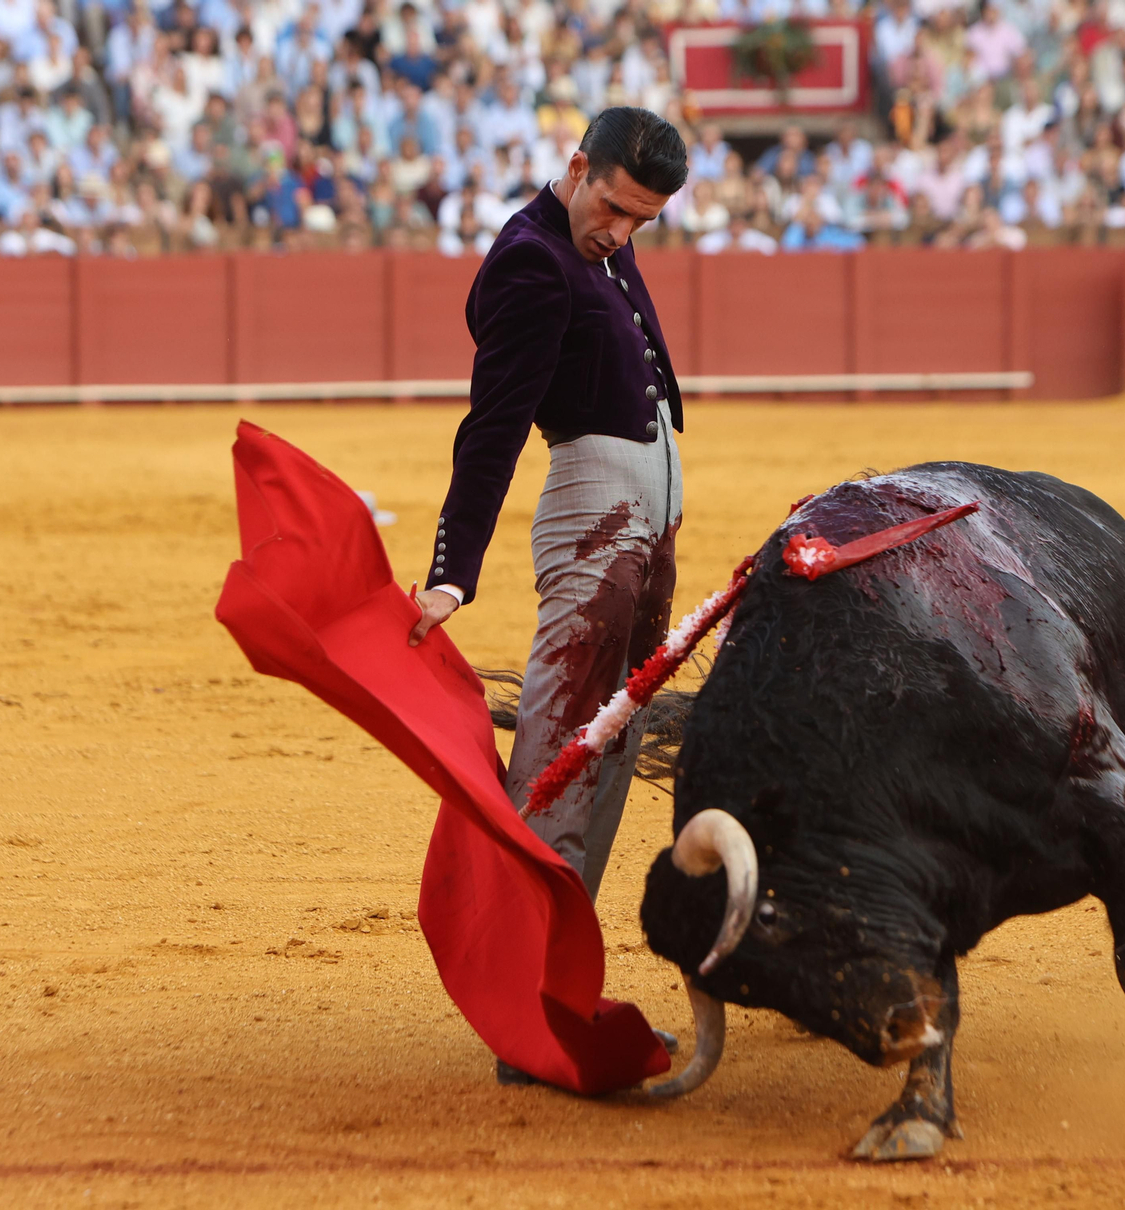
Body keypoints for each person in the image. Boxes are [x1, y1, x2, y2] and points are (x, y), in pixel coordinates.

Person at [406, 109, 689, 1086]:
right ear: (575, 169)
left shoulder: (601, 244)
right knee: (564, 751)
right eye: (612, 206)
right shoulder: (530, 259)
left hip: (641, 520)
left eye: (642, 219)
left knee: (602, 749)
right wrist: (452, 567)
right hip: (595, 518)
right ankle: (521, 1006)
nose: (620, 230)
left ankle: (553, 982)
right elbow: (492, 426)